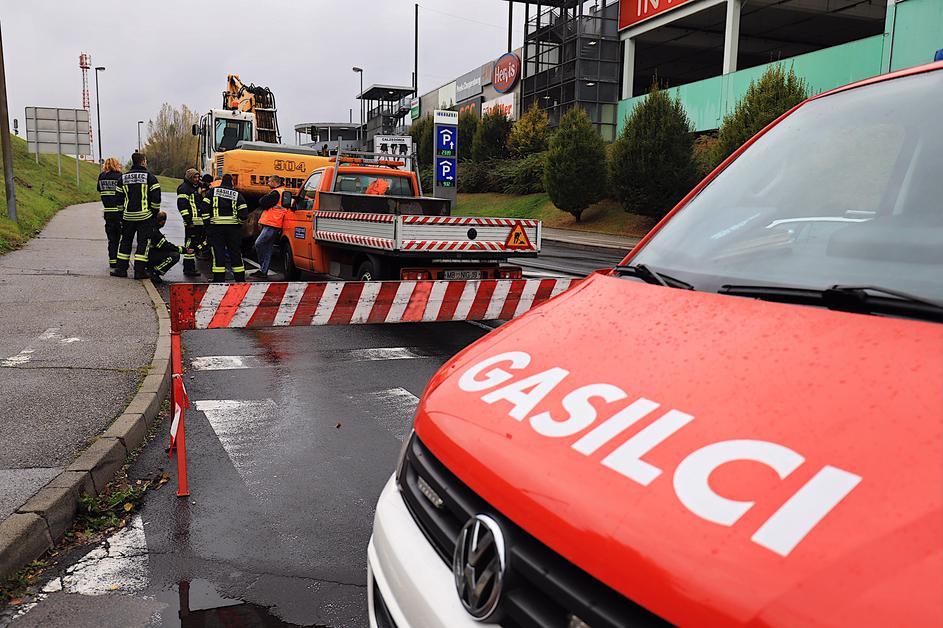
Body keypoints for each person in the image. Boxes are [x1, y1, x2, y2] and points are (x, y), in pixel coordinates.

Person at [112, 152, 161, 279]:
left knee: (125, 243)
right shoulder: (150, 177)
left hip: (128, 217)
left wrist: (121, 214)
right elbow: (156, 198)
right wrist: (153, 213)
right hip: (145, 217)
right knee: (142, 244)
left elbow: (118, 199)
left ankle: (121, 269)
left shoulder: (122, 178)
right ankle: (139, 272)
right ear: (143, 161)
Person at [201, 173, 248, 282]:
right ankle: (240, 279)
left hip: (216, 228)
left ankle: (218, 279)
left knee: (218, 253)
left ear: (221, 181)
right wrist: (238, 223)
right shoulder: (237, 194)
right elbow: (244, 213)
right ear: (231, 182)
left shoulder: (212, 192)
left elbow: (204, 209)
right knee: (235, 253)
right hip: (233, 230)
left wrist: (208, 225)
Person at [251, 175, 287, 279]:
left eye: (269, 181)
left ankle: (263, 269)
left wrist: (263, 199)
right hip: (273, 222)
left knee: (259, 244)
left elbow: (263, 202)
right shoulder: (281, 192)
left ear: (275, 182)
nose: (268, 183)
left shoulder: (276, 192)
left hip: (272, 223)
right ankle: (263, 271)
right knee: (267, 248)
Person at [144, 211, 188, 283]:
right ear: (162, 222)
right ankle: (154, 272)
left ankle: (150, 269)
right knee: (174, 255)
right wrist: (183, 250)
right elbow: (166, 246)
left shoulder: (150, 227)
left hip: (145, 256)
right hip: (149, 256)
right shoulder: (155, 232)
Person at [176, 168, 204, 276]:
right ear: (189, 178)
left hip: (198, 222)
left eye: (198, 177)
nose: (197, 179)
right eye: (194, 177)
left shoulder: (195, 187)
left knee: (196, 244)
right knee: (190, 245)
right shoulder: (184, 188)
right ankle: (188, 268)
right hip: (191, 222)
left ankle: (190, 267)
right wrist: (188, 221)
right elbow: (182, 206)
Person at [97, 157, 123, 269]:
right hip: (119, 212)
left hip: (108, 212)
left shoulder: (102, 176)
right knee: (122, 239)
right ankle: (120, 262)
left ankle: (112, 261)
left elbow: (99, 189)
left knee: (111, 238)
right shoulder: (120, 176)